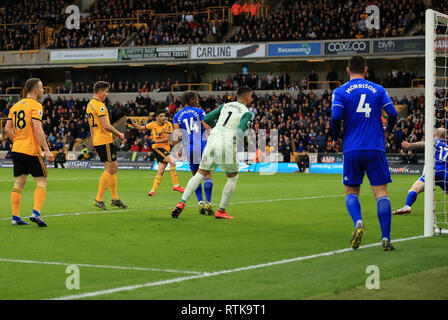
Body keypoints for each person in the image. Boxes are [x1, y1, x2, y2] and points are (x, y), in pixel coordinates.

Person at [331, 55, 398, 251]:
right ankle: (385, 238)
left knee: (351, 192)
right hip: (375, 146)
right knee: (381, 193)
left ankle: (358, 222)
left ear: (348, 69)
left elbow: (335, 116)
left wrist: (336, 137)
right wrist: (390, 129)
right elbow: (392, 113)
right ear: (366, 69)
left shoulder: (340, 91)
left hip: (352, 148)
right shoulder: (378, 89)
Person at [171, 86, 254, 220]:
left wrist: (218, 130)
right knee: (232, 177)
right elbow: (240, 130)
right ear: (247, 97)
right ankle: (221, 210)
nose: (252, 99)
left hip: (213, 139)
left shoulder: (225, 106)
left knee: (200, 173)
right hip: (226, 143)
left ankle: (182, 202)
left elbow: (208, 118)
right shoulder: (247, 112)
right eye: (251, 96)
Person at [4, 78, 55, 227]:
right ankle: (36, 213)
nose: (43, 90)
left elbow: (7, 129)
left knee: (18, 184)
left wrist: (17, 141)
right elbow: (38, 129)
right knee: (41, 181)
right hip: (32, 150)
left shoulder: (15, 106)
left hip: (17, 149)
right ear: (35, 90)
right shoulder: (36, 105)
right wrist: (47, 150)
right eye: (41, 88)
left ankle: (15, 216)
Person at [86, 81, 127, 210]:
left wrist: (93, 141)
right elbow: (105, 125)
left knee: (114, 167)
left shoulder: (89, 105)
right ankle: (99, 199)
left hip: (99, 140)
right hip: (104, 140)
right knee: (109, 169)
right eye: (106, 91)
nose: (107, 94)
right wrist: (119, 133)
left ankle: (115, 198)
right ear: (100, 91)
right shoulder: (99, 105)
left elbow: (91, 126)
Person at [173, 91, 214, 215]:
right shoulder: (199, 111)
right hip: (202, 146)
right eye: (196, 99)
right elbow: (207, 127)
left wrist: (177, 150)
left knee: (195, 176)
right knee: (207, 174)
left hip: (189, 149)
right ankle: (208, 203)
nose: (197, 100)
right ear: (191, 100)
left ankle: (200, 203)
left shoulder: (177, 115)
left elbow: (176, 136)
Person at [127, 110, 184, 196]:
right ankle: (176, 185)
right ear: (157, 117)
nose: (163, 118)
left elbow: (167, 138)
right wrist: (132, 123)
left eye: (164, 116)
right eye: (161, 116)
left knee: (160, 171)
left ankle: (152, 191)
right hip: (157, 149)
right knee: (173, 161)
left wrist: (154, 141)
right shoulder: (153, 124)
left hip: (164, 149)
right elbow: (141, 128)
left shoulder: (168, 124)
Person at [393, 129, 448, 215]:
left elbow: (423, 144)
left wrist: (410, 145)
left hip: (435, 172)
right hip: (445, 173)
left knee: (414, 188)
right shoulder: (446, 147)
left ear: (435, 134)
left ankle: (407, 206)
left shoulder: (435, 142)